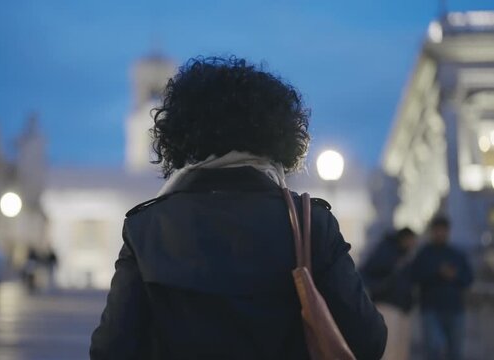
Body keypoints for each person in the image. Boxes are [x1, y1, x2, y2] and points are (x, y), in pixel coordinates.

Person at [90, 56, 387, 359]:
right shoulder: (310, 223)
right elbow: (367, 341)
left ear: (180, 135)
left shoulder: (148, 226)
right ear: (279, 136)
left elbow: (111, 349)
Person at [413, 216, 473, 360]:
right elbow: (415, 276)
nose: (440, 233)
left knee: (456, 352)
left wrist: (454, 276)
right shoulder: (424, 254)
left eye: (443, 230)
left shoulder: (457, 254)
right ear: (432, 231)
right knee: (434, 348)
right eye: (437, 230)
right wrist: (437, 272)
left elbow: (468, 279)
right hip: (431, 310)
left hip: (455, 310)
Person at [361, 228, 417, 360]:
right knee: (389, 347)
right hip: (387, 303)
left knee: (400, 349)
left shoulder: (407, 255)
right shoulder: (387, 251)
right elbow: (369, 270)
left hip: (403, 306)